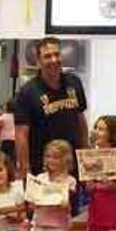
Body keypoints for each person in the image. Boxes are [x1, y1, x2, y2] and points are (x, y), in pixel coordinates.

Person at [15, 37, 89, 180]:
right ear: (38, 61)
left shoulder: (74, 82)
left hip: (71, 164)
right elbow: (21, 134)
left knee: (72, 202)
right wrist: (25, 168)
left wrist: (85, 155)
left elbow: (81, 120)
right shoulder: (27, 92)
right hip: (43, 167)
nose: (54, 60)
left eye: (57, 54)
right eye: (47, 56)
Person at [28, 140, 77, 231]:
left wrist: (62, 201)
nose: (51, 160)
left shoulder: (70, 180)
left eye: (56, 157)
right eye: (48, 156)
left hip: (59, 226)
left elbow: (67, 203)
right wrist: (34, 202)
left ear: (65, 159)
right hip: (39, 223)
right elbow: (31, 204)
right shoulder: (39, 178)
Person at [0, 100, 17, 165]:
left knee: (3, 158)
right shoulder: (17, 117)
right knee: (13, 158)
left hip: (5, 139)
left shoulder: (3, 117)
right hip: (14, 139)